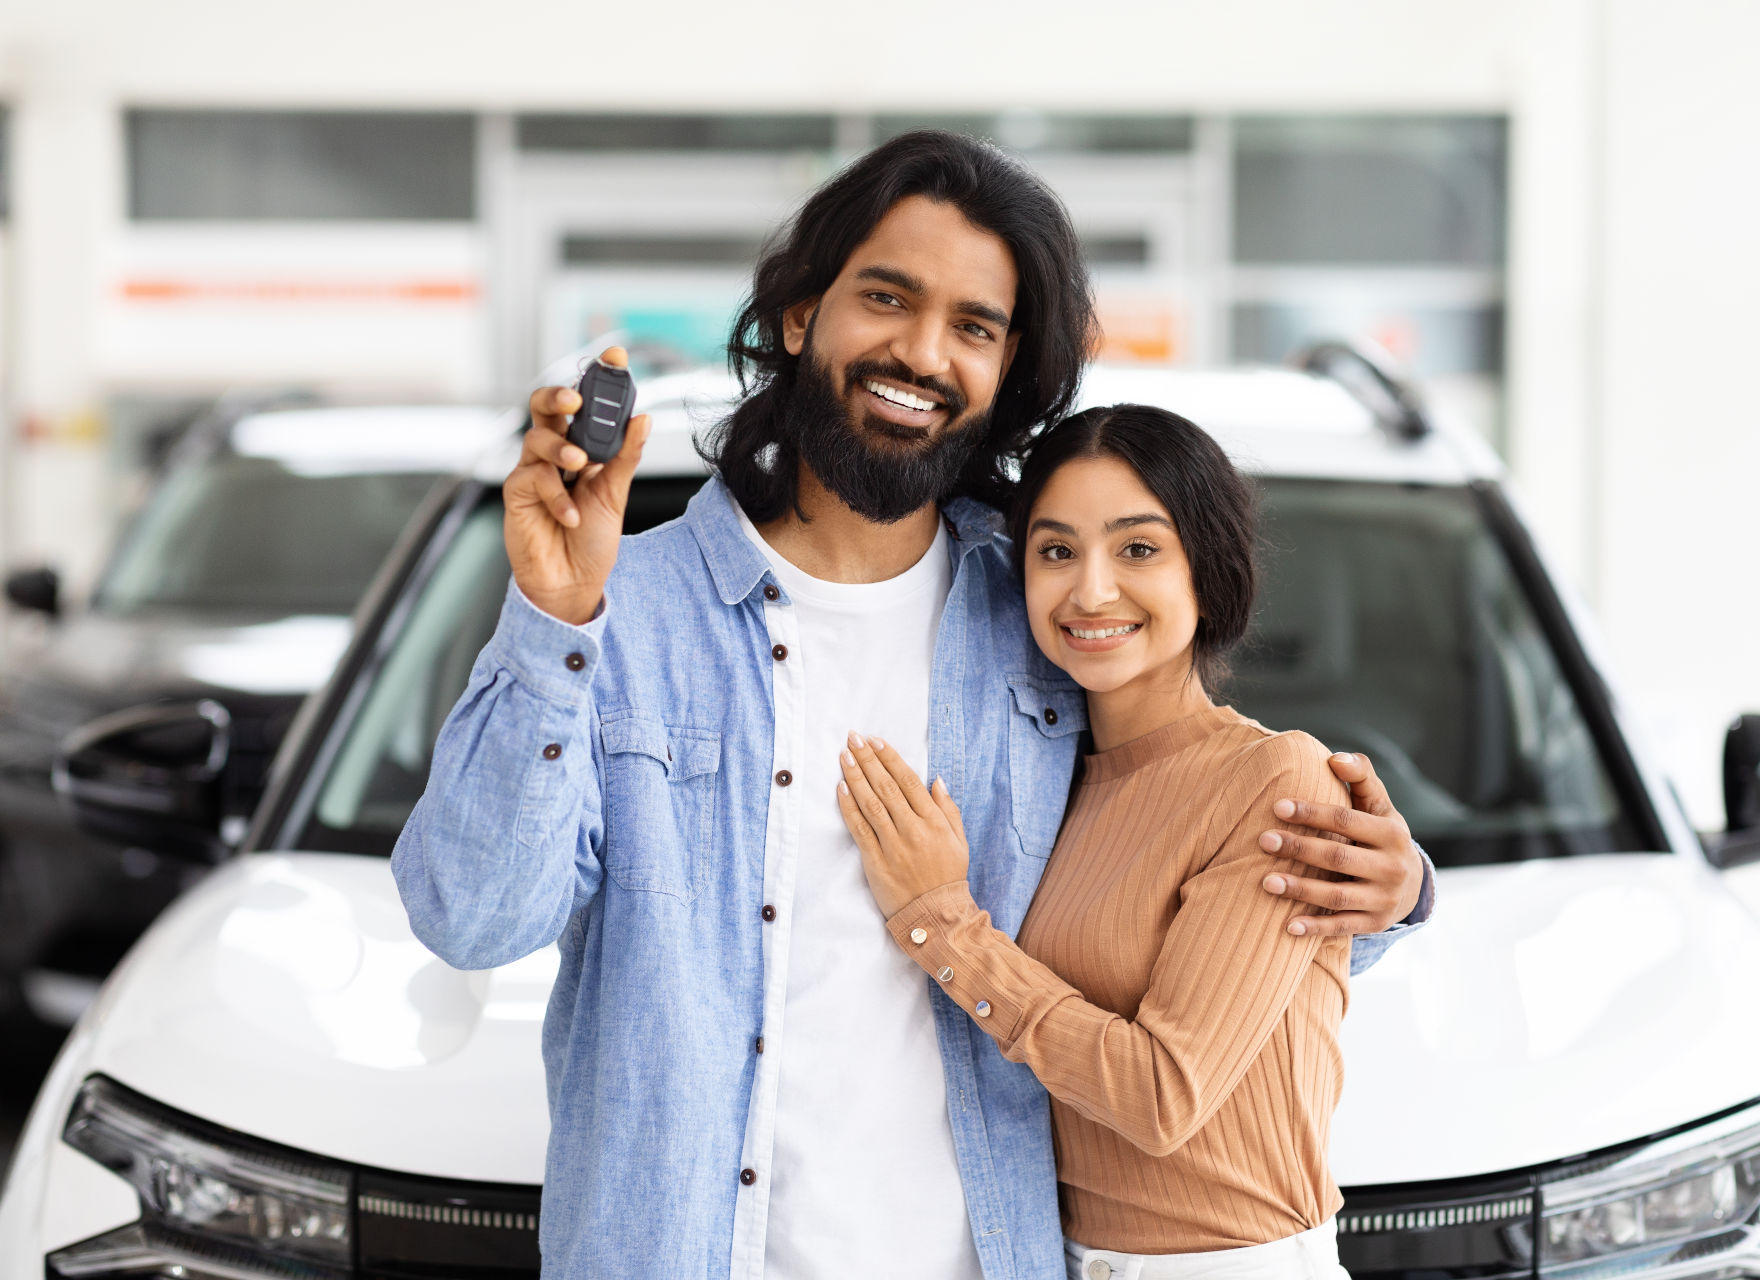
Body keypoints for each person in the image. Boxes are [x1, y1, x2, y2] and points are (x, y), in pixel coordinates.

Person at [391, 130, 1433, 1279]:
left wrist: (1391, 888)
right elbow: (471, 918)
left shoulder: (1043, 613)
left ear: (1005, 371)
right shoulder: (619, 613)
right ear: (801, 314)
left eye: (975, 326)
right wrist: (551, 619)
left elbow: (1187, 847)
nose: (925, 351)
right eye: (888, 297)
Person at [840, 404, 1359, 1280]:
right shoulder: (1054, 786)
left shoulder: (1275, 780)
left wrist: (941, 923)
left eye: (1138, 549)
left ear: (1208, 567)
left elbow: (1164, 1098)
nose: (1090, 591)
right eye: (1055, 551)